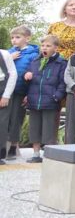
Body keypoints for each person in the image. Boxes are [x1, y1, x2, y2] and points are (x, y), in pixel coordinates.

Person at [23, 35, 66, 162]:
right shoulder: (35, 61)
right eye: (42, 45)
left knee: (49, 129)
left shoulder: (61, 63)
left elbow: (63, 83)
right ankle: (36, 155)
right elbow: (28, 80)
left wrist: (57, 96)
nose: (44, 48)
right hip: (34, 100)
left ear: (55, 48)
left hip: (51, 101)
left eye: (48, 46)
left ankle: (48, 155)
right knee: (34, 128)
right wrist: (26, 76)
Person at [4, 26, 39, 161]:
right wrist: (8, 58)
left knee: (16, 119)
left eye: (18, 37)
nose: (14, 40)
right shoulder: (9, 53)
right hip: (7, 91)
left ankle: (13, 146)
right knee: (5, 119)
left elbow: (34, 74)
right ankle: (4, 146)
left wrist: (28, 94)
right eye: (12, 37)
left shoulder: (33, 55)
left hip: (21, 91)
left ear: (27, 38)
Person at [0, 48, 17, 165]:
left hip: (3, 89)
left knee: (2, 123)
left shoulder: (4, 54)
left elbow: (13, 74)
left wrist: (6, 95)